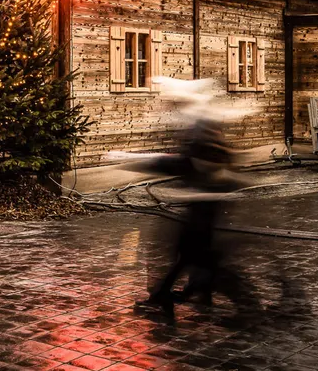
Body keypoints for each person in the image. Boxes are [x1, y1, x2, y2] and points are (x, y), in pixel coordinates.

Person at [108, 78, 255, 322]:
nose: (172, 106)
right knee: (194, 253)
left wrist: (136, 161)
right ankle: (199, 292)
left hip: (205, 201)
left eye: (175, 101)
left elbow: (187, 163)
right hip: (209, 199)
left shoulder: (201, 126)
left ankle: (165, 298)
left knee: (186, 252)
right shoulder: (204, 121)